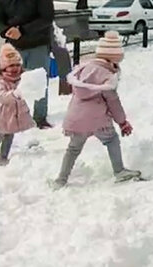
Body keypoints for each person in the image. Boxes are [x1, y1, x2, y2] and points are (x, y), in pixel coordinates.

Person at [52, 31, 141, 189]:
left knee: (73, 148)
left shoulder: (84, 69)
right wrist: (122, 122)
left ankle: (61, 179)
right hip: (98, 120)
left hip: (76, 118)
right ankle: (119, 171)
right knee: (111, 140)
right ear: (114, 58)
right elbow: (113, 101)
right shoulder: (106, 76)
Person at [0, 0, 55, 129]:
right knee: (13, 83)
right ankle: (17, 115)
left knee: (39, 81)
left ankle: (40, 118)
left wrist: (23, 30)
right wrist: (5, 30)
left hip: (37, 44)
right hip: (14, 47)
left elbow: (47, 18)